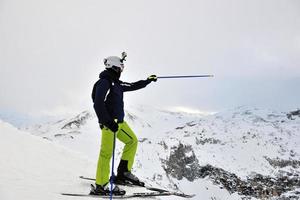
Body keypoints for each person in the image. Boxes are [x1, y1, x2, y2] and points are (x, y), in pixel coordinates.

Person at [90, 53, 157, 195]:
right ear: (114, 67)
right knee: (106, 153)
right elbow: (97, 104)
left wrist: (147, 81)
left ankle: (123, 173)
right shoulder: (104, 82)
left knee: (132, 141)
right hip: (109, 124)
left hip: (120, 123)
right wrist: (107, 122)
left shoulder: (117, 83)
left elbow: (132, 85)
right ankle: (101, 185)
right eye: (121, 67)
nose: (122, 69)